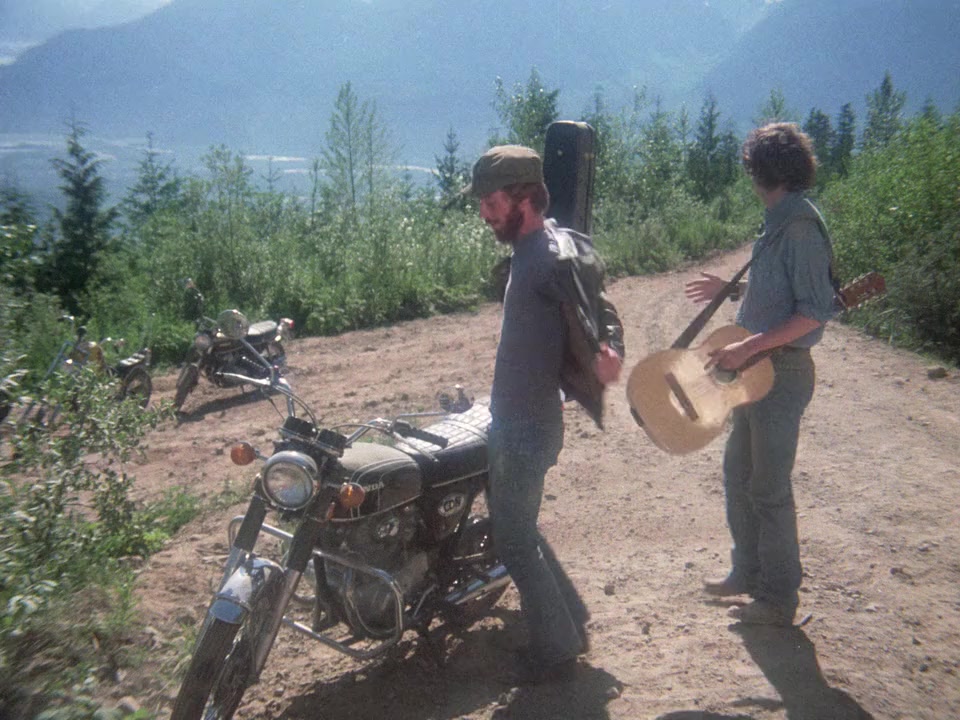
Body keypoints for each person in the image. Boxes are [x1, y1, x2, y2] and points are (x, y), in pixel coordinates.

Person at [463, 145, 624, 683]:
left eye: (491, 202)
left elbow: (599, 308)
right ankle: (567, 618)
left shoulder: (551, 256)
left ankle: (556, 651)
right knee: (517, 528)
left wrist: (609, 350)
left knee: (513, 541)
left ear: (525, 198)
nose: (484, 213)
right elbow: (597, 302)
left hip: (526, 429)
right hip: (516, 420)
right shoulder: (536, 246)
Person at [685, 123, 837, 626]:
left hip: (781, 372)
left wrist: (748, 345)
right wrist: (732, 291)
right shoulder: (779, 220)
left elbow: (813, 313)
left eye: (751, 168)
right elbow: (778, 293)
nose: (749, 176)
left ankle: (778, 598)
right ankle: (746, 572)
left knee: (769, 488)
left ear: (763, 171)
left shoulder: (800, 227)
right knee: (738, 475)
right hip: (755, 371)